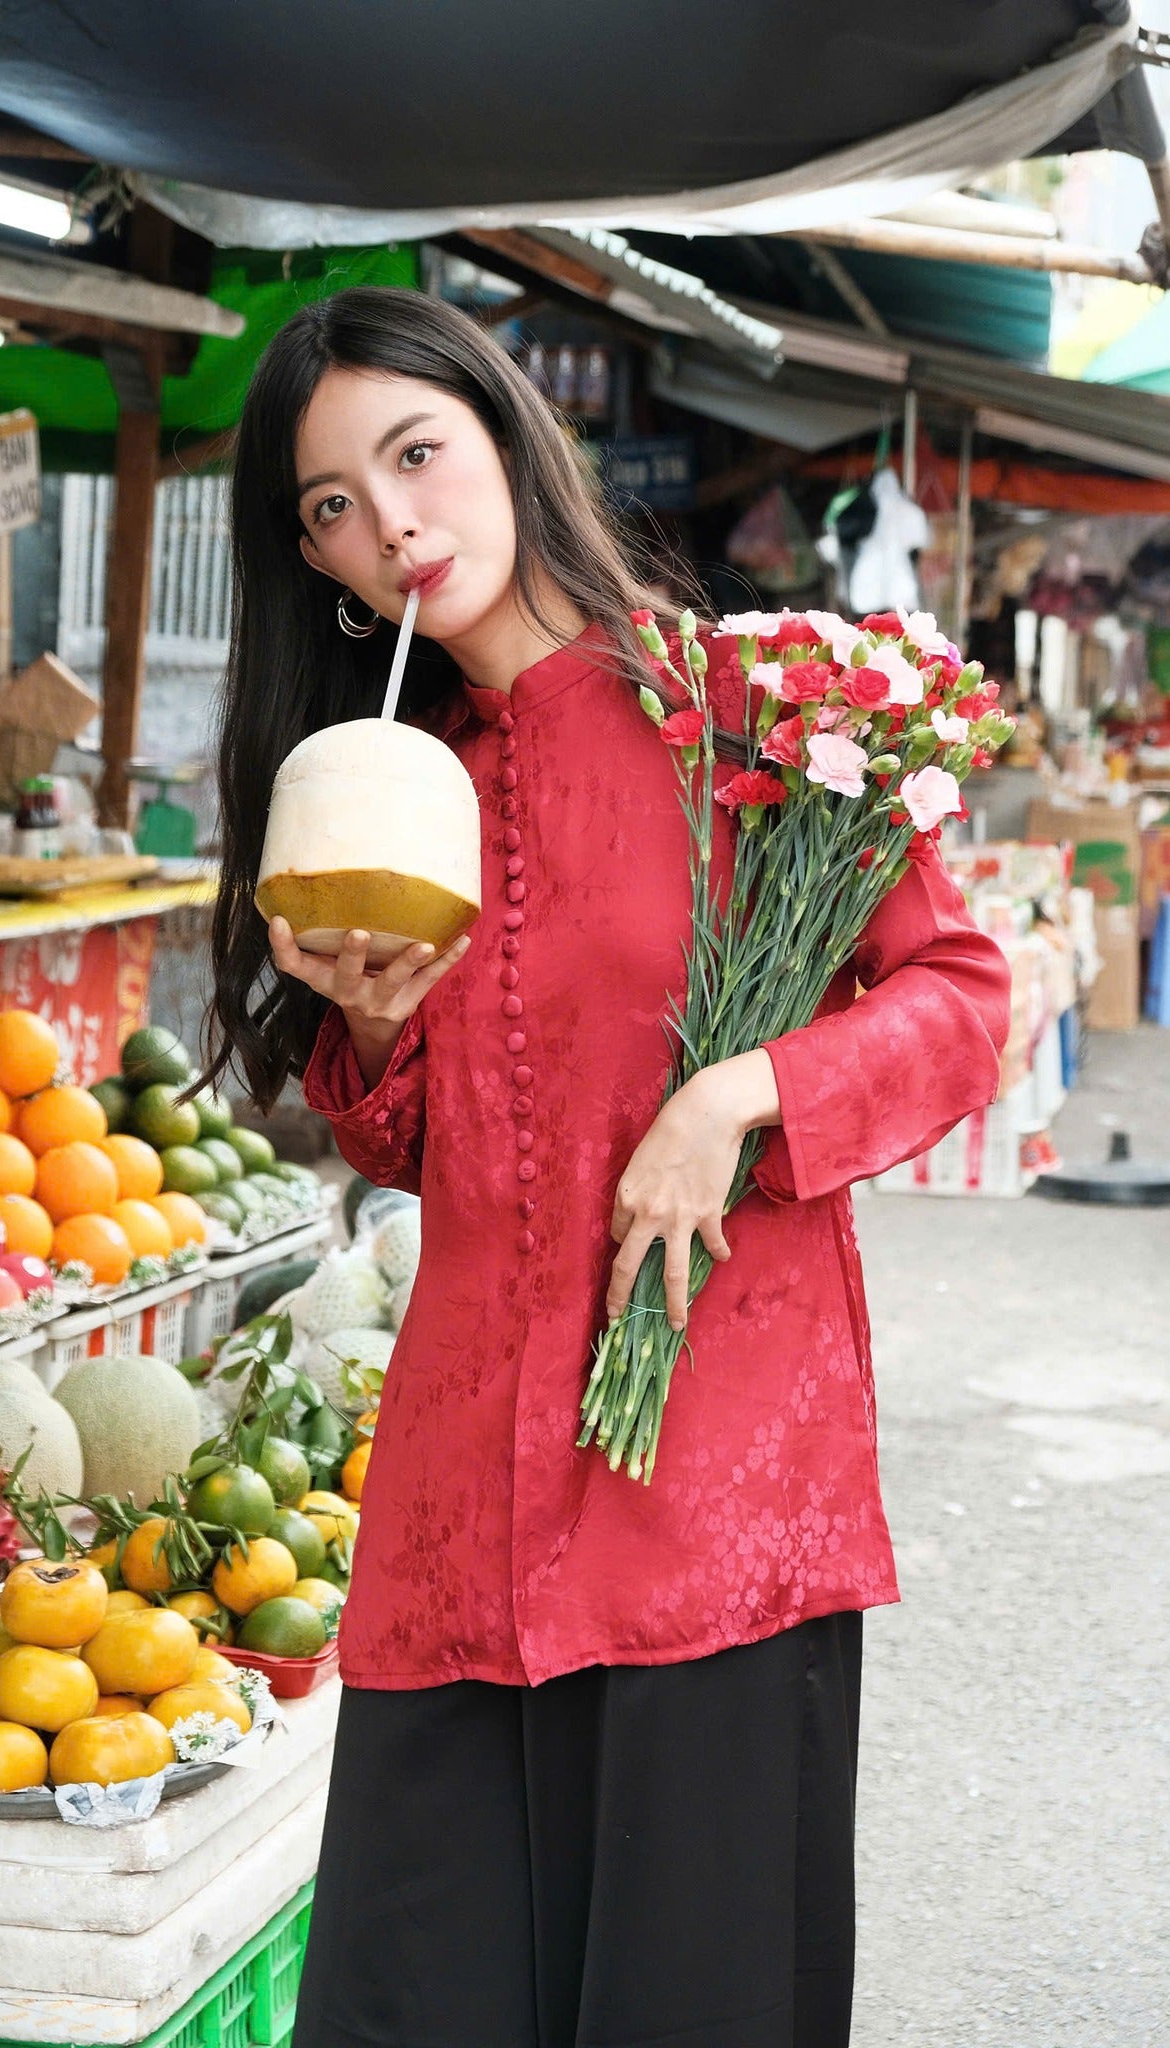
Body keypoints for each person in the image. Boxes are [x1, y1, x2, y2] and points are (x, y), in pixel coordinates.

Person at [203, 286, 1010, 2048]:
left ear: (510, 440)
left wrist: (739, 1099)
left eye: (414, 456)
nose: (389, 522)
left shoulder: (758, 709)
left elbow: (958, 1001)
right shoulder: (390, 792)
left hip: (705, 1501)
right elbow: (418, 1142)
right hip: (455, 1523)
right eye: (331, 503)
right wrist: (373, 1024)